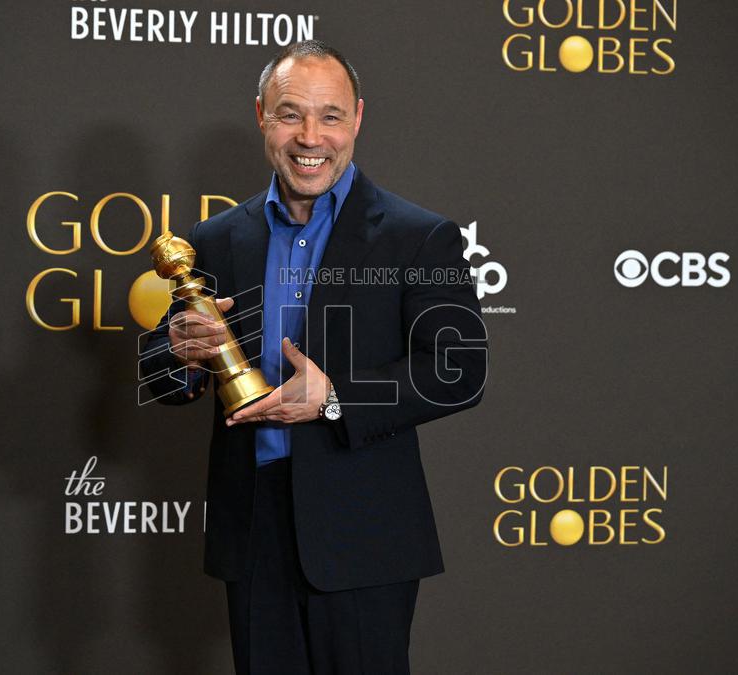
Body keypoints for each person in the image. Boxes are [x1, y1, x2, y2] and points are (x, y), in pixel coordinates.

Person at [141, 40, 487, 675]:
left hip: (363, 536)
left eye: (329, 116)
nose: (311, 136)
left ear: (357, 118)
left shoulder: (418, 236)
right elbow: (163, 378)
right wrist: (179, 354)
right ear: (261, 118)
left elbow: (457, 372)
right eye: (290, 113)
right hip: (253, 532)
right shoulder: (215, 241)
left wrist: (332, 399)